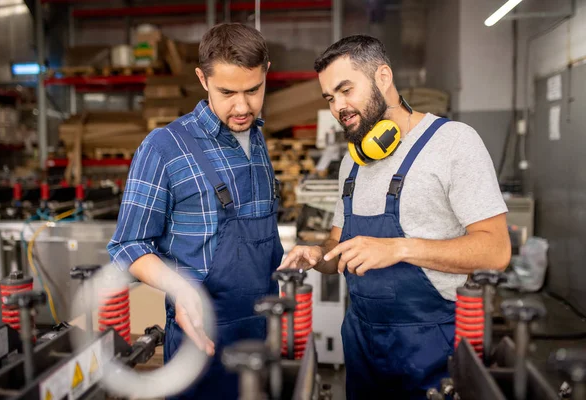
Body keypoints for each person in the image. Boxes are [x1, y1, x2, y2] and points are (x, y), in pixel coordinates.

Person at [279, 35, 511, 399]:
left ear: (383, 77)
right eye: (330, 97)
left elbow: (496, 251)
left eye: (345, 90)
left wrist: (400, 249)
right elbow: (337, 247)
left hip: (434, 344)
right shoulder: (351, 163)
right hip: (363, 342)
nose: (338, 106)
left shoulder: (453, 143)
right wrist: (317, 255)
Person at [107, 23, 283, 399]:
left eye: (253, 90)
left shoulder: (257, 139)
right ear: (202, 79)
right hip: (198, 332)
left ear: (266, 72)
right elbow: (128, 245)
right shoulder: (165, 147)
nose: (242, 106)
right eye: (227, 92)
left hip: (261, 330)